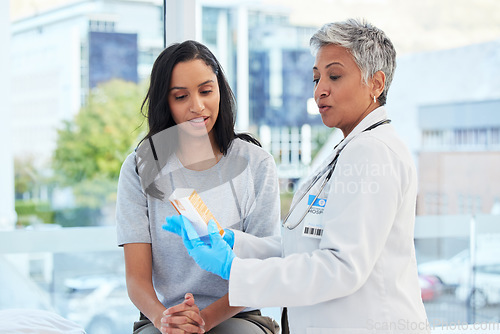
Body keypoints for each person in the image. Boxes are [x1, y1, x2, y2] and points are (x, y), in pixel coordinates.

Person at [164, 19, 430, 333]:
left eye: (334, 76)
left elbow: (341, 267)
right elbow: (303, 248)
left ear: (376, 83)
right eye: (316, 78)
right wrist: (234, 242)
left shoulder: (371, 152)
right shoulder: (350, 149)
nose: (320, 90)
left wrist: (232, 268)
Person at [116, 40, 281, 334]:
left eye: (206, 91)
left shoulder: (257, 163)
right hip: (164, 318)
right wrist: (164, 319)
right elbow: (136, 279)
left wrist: (203, 321)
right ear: (165, 102)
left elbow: (265, 264)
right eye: (181, 96)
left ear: (220, 90)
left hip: (238, 313)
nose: (197, 106)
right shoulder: (139, 168)